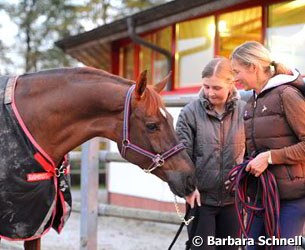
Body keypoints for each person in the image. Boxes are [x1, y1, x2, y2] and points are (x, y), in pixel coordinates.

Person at [230, 41, 305, 250]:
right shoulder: (251, 102)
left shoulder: (286, 95)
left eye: (237, 71)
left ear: (253, 67)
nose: (235, 78)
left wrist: (270, 157)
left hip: (293, 196)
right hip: (260, 194)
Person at [176, 57, 246, 250]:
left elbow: (252, 152)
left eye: (216, 88)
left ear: (231, 84)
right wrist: (188, 188)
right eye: (206, 87)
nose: (210, 93)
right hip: (201, 200)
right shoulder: (189, 113)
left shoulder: (245, 111)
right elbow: (181, 158)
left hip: (233, 200)